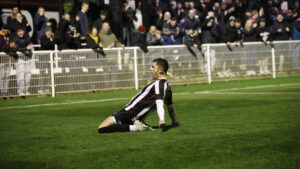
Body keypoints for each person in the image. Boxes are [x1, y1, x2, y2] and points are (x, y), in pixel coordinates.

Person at [98, 58, 179, 133]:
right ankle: (138, 125)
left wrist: (161, 119)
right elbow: (170, 105)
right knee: (115, 126)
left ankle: (137, 128)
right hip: (137, 116)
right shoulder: (167, 86)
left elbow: (159, 102)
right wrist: (174, 120)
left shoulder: (159, 84)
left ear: (160, 70)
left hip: (129, 112)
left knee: (101, 128)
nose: (150, 69)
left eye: (153, 67)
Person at [13, 27, 33, 96]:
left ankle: (26, 90)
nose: (20, 33)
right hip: (20, 59)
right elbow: (16, 48)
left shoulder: (27, 37)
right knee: (20, 76)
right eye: (18, 32)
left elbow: (30, 46)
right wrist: (25, 48)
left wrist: (24, 49)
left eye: (21, 31)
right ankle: (20, 91)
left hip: (28, 58)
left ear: (24, 31)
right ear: (17, 33)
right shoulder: (15, 39)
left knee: (28, 75)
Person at [0, 24, 13, 97]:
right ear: (2, 29)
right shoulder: (0, 36)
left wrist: (9, 47)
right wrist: (9, 47)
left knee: (7, 75)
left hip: (8, 58)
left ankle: (6, 91)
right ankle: (2, 91)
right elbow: (2, 48)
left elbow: (13, 46)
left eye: (7, 29)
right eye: (5, 29)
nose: (6, 30)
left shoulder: (9, 36)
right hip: (1, 59)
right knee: (1, 76)